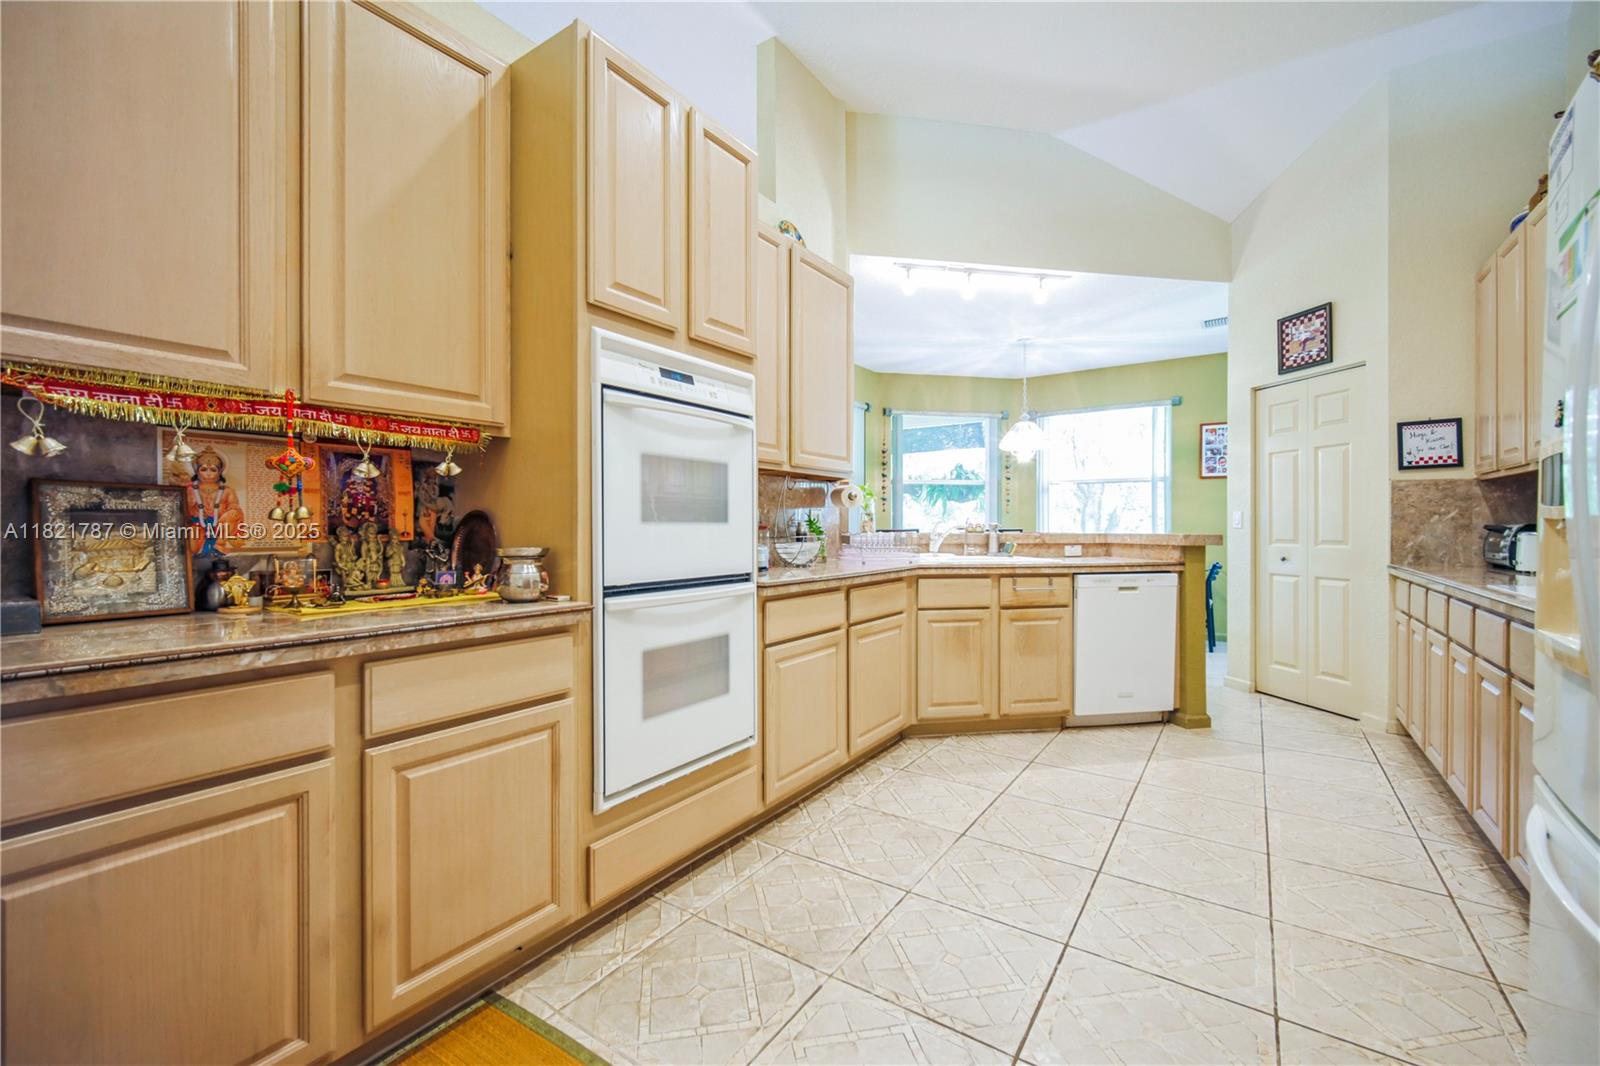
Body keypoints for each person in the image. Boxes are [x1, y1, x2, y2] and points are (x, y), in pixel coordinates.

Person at [186, 447, 245, 557]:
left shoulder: (227, 490)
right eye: (204, 469)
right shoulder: (190, 489)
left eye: (213, 470)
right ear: (197, 471)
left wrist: (232, 511)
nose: (208, 473)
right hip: (198, 524)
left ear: (220, 472)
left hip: (220, 525)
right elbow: (184, 510)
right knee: (193, 547)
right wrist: (192, 505)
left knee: (234, 513)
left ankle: (219, 544)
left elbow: (234, 506)